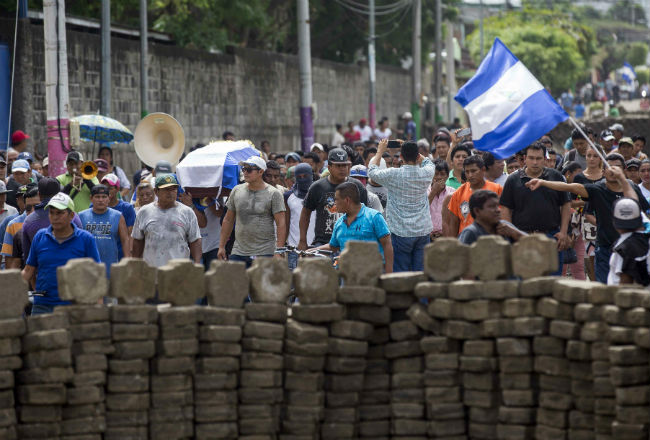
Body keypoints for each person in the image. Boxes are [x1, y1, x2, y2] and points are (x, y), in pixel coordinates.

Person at [526, 153, 649, 283]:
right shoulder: (597, 190)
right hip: (605, 248)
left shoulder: (632, 188)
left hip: (633, 248)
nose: (613, 171)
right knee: (604, 288)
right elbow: (573, 187)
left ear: (623, 170)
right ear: (603, 171)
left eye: (617, 168)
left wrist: (623, 181)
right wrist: (543, 182)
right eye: (609, 167)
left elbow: (640, 209)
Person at [22, 193, 100, 315]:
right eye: (51, 213)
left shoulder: (86, 239)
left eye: (59, 213)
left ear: (71, 215)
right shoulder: (40, 236)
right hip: (43, 305)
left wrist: (98, 308)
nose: (54, 217)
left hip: (74, 306)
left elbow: (96, 275)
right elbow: (28, 270)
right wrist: (10, 287)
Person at [500, 142, 571, 273]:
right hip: (522, 237)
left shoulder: (555, 177)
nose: (535, 162)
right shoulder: (513, 180)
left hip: (551, 236)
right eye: (531, 158)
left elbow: (566, 204)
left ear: (545, 159)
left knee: (551, 284)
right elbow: (505, 209)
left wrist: (564, 232)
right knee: (525, 283)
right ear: (525, 158)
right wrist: (513, 234)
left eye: (538, 158)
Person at [368, 139, 435, 272]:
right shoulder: (427, 172)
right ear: (417, 156)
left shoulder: (393, 174)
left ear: (401, 157)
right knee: (421, 273)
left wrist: (380, 151)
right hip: (423, 230)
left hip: (400, 232)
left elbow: (372, 172)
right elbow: (427, 162)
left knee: (401, 274)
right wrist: (409, 146)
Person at [217, 156, 286, 267]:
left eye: (249, 170)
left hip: (265, 252)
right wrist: (221, 246)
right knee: (237, 284)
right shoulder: (237, 190)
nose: (245, 172)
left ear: (261, 172)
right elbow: (228, 220)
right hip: (238, 251)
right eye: (244, 169)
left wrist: (279, 251)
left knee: (261, 284)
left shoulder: (274, 193)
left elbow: (281, 224)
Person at [316, 182, 393, 273]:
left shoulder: (374, 217)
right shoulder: (339, 223)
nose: (334, 203)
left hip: (373, 274)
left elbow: (387, 244)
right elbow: (333, 246)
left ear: (347, 200)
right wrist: (314, 250)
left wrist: (388, 274)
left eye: (336, 199)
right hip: (347, 276)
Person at [299, 148, 368, 249]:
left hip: (351, 242)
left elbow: (365, 215)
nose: (342, 169)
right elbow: (305, 213)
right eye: (338, 165)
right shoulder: (317, 187)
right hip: (323, 242)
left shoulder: (357, 186)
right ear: (329, 167)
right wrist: (302, 240)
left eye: (345, 165)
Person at [132, 174, 202, 267]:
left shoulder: (187, 212)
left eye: (173, 189)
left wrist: (196, 264)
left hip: (178, 271)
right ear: (156, 191)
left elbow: (195, 240)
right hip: (152, 270)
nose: (171, 192)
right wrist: (135, 265)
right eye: (166, 189)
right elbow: (137, 241)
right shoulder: (144, 212)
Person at [22, 177, 83, 263]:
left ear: (39, 195)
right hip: (71, 272)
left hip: (42, 273)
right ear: (59, 194)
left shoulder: (29, 221)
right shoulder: (72, 216)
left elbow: (28, 258)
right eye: (52, 213)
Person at [79, 185, 130, 277]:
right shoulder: (82, 216)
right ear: (91, 198)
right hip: (87, 269)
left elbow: (125, 240)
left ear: (109, 198)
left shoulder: (118, 216)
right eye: (97, 197)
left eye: (104, 197)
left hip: (111, 267)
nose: (101, 200)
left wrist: (127, 261)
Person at [448, 155, 503, 236]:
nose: (470, 175)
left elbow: (503, 216)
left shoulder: (496, 189)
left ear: (483, 170)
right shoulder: (458, 193)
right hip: (466, 240)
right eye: (467, 172)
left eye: (473, 171)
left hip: (491, 239)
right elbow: (454, 223)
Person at [607, 198, 650, 286]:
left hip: (623, 297)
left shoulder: (623, 248)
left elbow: (625, 283)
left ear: (614, 222)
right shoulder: (645, 238)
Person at [458, 190, 525, 245]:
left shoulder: (505, 226)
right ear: (477, 211)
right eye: (492, 206)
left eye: (497, 206)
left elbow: (533, 243)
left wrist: (514, 233)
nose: (498, 210)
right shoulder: (471, 232)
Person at [285, 163, 315, 270]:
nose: (302, 179)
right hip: (295, 250)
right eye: (299, 177)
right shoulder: (288, 196)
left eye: (305, 176)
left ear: (312, 175)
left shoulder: (319, 193)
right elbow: (286, 223)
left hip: (316, 248)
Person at [2, 184, 39, 269]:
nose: (33, 211)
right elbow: (9, 260)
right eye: (29, 208)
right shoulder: (13, 224)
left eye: (36, 206)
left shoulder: (50, 221)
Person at [428, 160, 455, 240]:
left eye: (442, 174)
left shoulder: (452, 192)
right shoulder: (424, 191)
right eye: (436, 174)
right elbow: (421, 211)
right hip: (426, 236)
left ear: (447, 176)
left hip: (446, 236)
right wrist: (433, 192)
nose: (439, 177)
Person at [200, 197, 223, 271]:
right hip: (195, 247)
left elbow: (220, 213)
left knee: (214, 280)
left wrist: (207, 198)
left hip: (215, 245)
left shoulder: (216, 190)